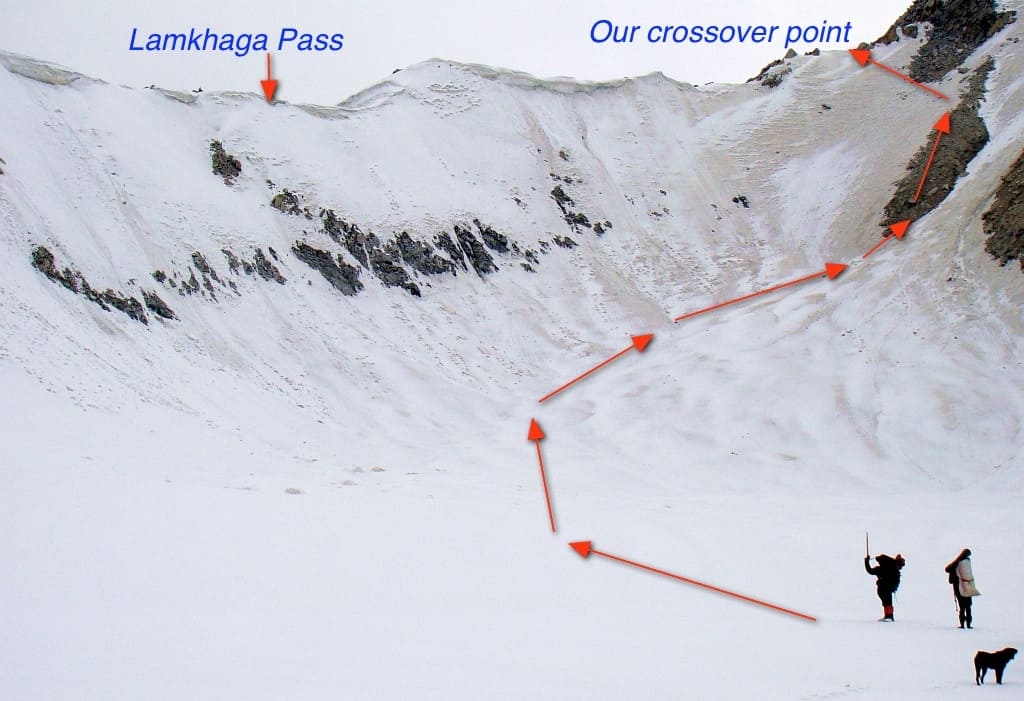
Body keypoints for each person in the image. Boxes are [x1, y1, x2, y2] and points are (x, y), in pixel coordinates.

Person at [864, 553, 905, 621]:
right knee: (888, 602)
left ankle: (889, 616)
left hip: (883, 588)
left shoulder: (881, 568)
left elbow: (870, 571)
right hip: (887, 588)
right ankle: (889, 616)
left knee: (886, 602)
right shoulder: (892, 567)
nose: (900, 568)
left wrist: (866, 562)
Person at [945, 548, 979, 628]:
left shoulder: (958, 562)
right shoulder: (967, 562)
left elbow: (947, 569)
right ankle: (968, 624)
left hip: (959, 587)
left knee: (962, 607)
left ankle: (962, 624)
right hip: (968, 586)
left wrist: (957, 559)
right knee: (968, 606)